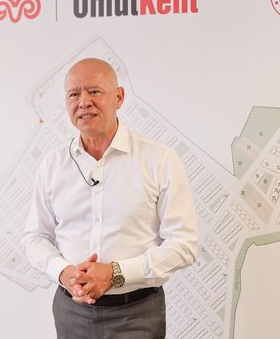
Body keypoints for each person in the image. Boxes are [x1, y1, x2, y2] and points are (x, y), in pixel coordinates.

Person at [22, 57, 198, 338]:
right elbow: (35, 238)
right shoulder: (52, 165)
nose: (84, 102)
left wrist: (115, 273)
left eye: (94, 91)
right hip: (70, 312)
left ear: (119, 97)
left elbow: (183, 245)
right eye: (74, 94)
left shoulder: (160, 159)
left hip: (137, 314)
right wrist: (63, 272)